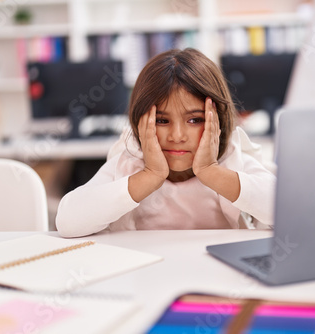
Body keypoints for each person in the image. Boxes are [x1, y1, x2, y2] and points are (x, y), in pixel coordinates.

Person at [56, 48, 276, 237]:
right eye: (162, 120)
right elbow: (68, 222)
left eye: (194, 120)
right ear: (138, 121)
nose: (177, 135)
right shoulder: (130, 161)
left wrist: (211, 172)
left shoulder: (231, 158)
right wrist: (150, 175)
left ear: (218, 121)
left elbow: (288, 211)